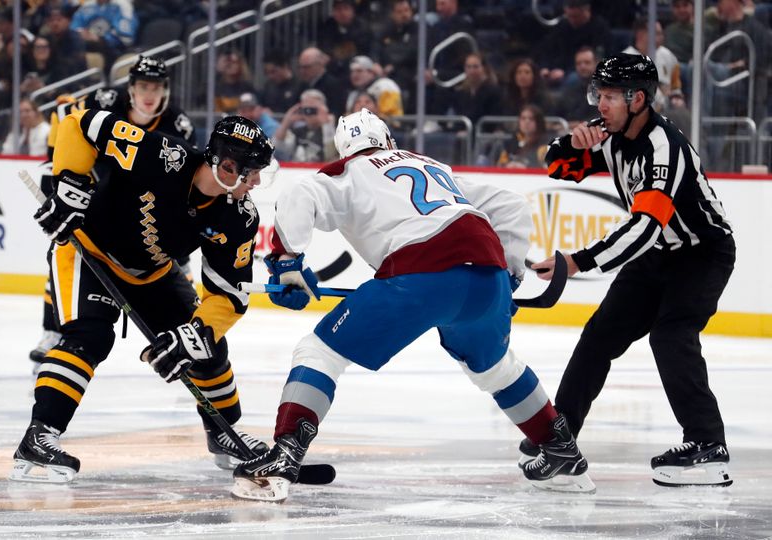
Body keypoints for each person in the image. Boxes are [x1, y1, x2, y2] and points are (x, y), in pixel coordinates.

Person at [230, 108, 593, 502]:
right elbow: (510, 206)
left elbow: (299, 194)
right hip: (486, 273)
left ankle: (284, 457)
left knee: (319, 351)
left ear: (344, 149)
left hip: (420, 272)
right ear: (388, 139)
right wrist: (509, 277)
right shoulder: (430, 164)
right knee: (496, 368)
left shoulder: (347, 170)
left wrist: (287, 263)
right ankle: (562, 454)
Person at [10, 111, 275, 484]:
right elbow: (78, 126)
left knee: (208, 349)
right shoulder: (162, 154)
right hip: (89, 250)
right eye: (251, 171)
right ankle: (38, 437)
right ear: (226, 166)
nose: (257, 181)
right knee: (90, 337)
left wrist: (194, 334)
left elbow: (229, 295)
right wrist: (69, 187)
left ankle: (224, 434)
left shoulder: (239, 216)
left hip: (153, 272)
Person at [530, 54, 735, 488]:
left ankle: (707, 445)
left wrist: (577, 261)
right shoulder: (610, 133)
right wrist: (572, 144)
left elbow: (643, 229)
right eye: (597, 94)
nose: (599, 105)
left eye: (607, 97)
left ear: (637, 98)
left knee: (671, 334)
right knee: (599, 336)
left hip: (702, 255)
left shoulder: (665, 148)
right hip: (658, 255)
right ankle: (560, 442)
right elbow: (556, 165)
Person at [29, 56, 197, 370]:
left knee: (172, 268)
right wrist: (55, 172)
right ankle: (51, 332)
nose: (150, 94)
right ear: (131, 88)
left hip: (145, 209)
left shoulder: (179, 125)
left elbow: (185, 181)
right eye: (143, 86)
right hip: (97, 196)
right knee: (64, 251)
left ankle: (178, 336)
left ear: (166, 91)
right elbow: (65, 117)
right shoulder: (106, 101)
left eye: (157, 87)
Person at [273, 89, 338, 163]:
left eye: (312, 109)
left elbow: (331, 156)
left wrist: (327, 125)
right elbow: (278, 149)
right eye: (305, 109)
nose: (308, 113)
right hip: (298, 171)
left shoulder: (333, 132)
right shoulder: (297, 132)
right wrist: (286, 122)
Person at [492, 104, 548, 168]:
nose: (527, 122)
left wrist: (526, 167)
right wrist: (508, 166)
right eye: (523, 118)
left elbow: (546, 167)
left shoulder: (545, 144)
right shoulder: (511, 143)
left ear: (538, 122)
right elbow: (500, 164)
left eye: (531, 119)